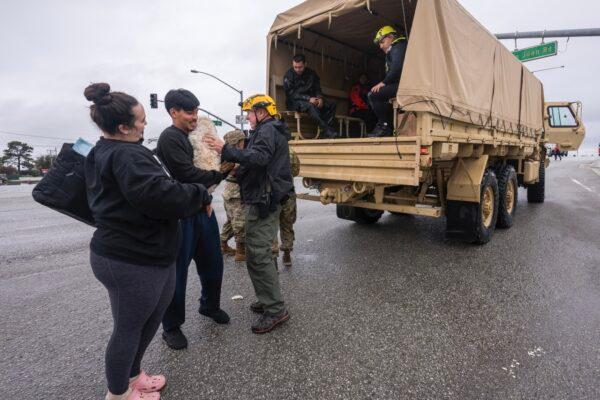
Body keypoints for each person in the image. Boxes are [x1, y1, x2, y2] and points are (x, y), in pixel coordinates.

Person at [84, 83, 213, 400]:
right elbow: (162, 195)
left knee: (149, 320)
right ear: (123, 127)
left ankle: (132, 376)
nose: (145, 125)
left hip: (151, 252)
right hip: (129, 258)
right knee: (128, 329)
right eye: (140, 121)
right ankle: (118, 394)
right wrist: (199, 193)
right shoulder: (126, 156)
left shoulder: (116, 149)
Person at [204, 94, 293, 334]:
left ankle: (275, 309)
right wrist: (235, 174)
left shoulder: (266, 131)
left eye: (250, 113)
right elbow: (259, 165)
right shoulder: (268, 130)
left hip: (264, 201)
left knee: (258, 255)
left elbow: (260, 158)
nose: (247, 117)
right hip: (263, 197)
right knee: (260, 253)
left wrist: (226, 149)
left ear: (262, 112)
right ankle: (268, 298)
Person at [157, 89, 230, 350]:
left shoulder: (192, 135)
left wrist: (208, 198)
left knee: (213, 263)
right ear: (173, 112)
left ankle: (209, 306)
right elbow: (187, 173)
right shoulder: (170, 138)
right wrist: (220, 175)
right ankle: (171, 326)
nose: (194, 117)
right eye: (189, 112)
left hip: (202, 210)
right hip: (181, 216)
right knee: (177, 273)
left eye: (197, 111)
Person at [284, 54, 338, 139]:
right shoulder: (289, 75)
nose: (298, 69)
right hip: (294, 102)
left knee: (332, 104)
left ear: (305, 64)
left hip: (312, 99)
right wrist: (308, 99)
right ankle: (327, 130)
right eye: (295, 67)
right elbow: (291, 94)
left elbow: (317, 88)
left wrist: (320, 98)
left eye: (300, 67)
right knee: (310, 105)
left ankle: (325, 130)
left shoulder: (312, 74)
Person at [368, 26, 408, 137]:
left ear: (391, 37)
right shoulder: (395, 49)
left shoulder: (399, 46)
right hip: (400, 85)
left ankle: (385, 127)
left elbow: (397, 67)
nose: (380, 46)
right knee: (379, 96)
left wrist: (384, 82)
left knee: (374, 95)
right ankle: (384, 125)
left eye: (382, 42)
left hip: (404, 86)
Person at [219, 130, 247, 262]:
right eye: (242, 141)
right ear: (237, 143)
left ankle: (222, 244)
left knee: (231, 220)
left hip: (230, 191)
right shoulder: (232, 157)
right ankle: (241, 251)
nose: (244, 143)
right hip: (235, 192)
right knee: (239, 222)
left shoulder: (228, 154)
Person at [273, 147, 300, 267]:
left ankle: (273, 259)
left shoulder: (266, 149)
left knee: (270, 227)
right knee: (287, 224)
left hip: (271, 195)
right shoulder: (290, 151)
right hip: (287, 193)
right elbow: (296, 171)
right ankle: (287, 254)